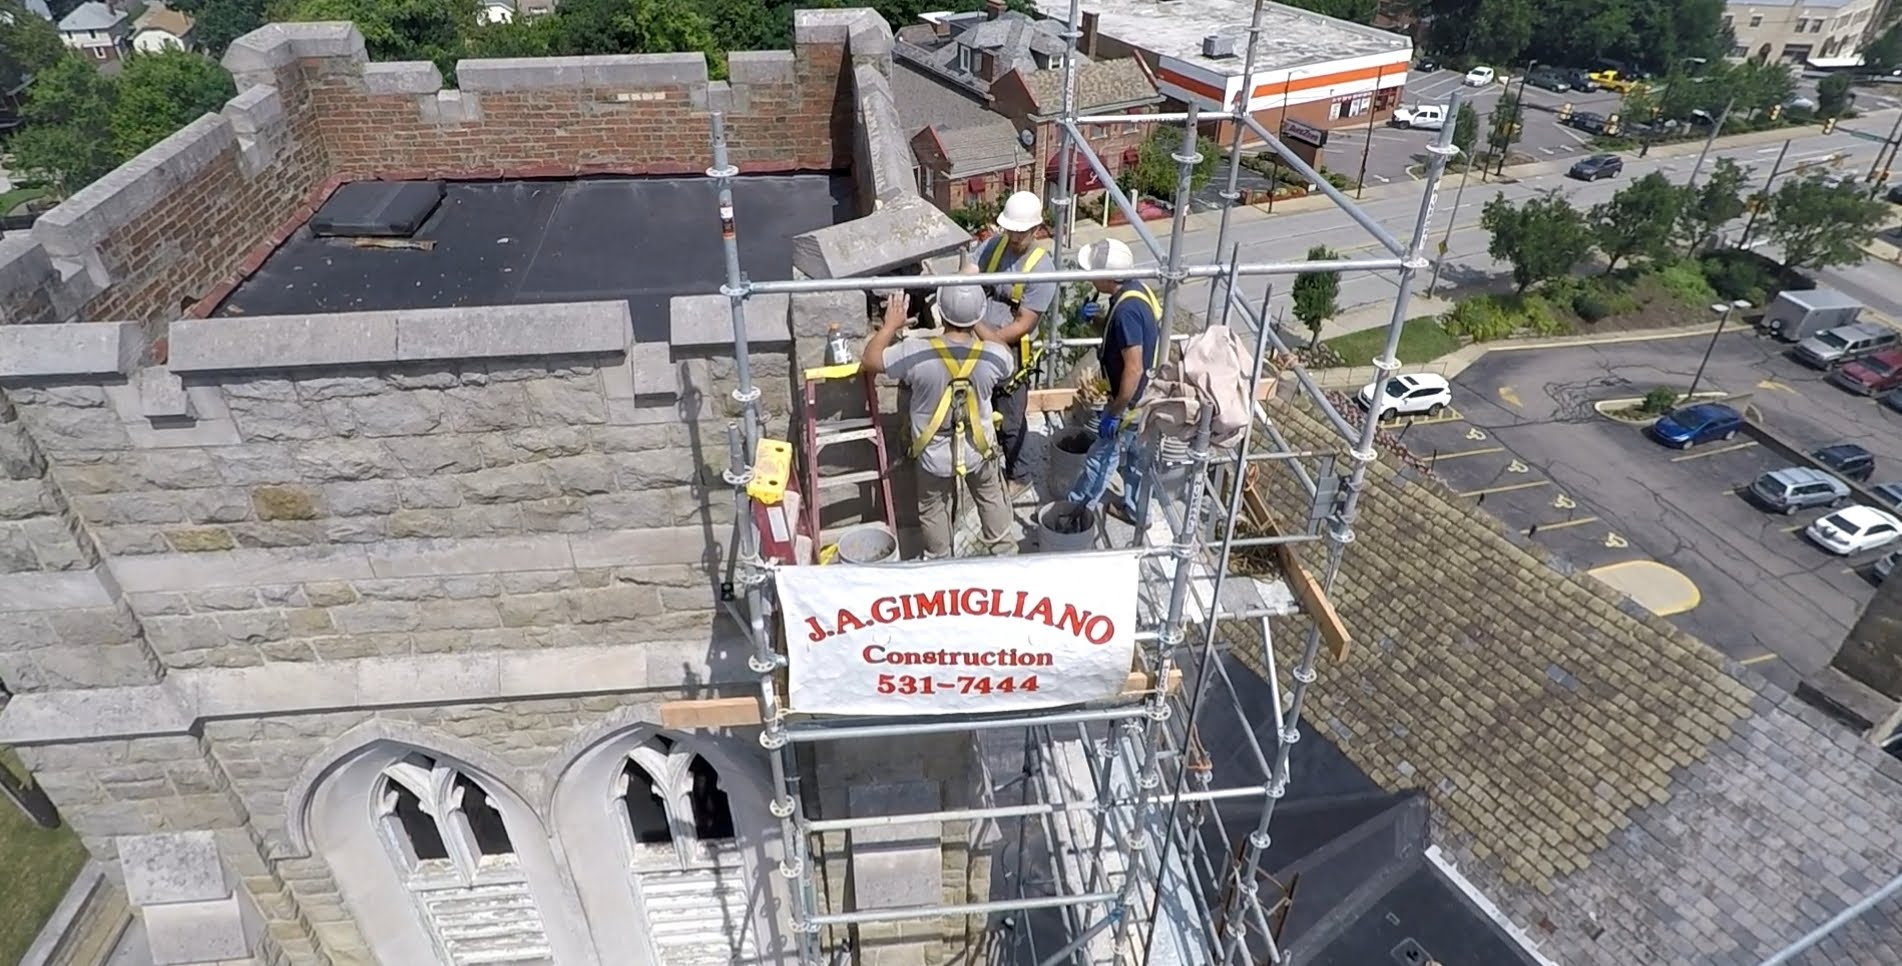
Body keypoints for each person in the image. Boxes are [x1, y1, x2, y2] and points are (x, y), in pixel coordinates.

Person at [861, 283, 1016, 558]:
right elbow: (1005, 354)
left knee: (933, 511)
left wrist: (889, 326)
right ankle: (1005, 555)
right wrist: (977, 321)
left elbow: (871, 360)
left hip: (933, 456)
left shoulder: (915, 352)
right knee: (991, 499)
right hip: (978, 452)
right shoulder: (992, 356)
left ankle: (939, 562)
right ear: (977, 316)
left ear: (940, 313)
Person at [1065, 238, 1161, 525]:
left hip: (1130, 402)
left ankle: (1073, 517)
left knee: (1100, 461)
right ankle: (1135, 510)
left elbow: (1134, 368)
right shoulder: (1135, 293)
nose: (1089, 276)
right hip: (1144, 399)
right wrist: (1097, 321)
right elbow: (1125, 336)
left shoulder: (1126, 312)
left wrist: (1115, 412)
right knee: (1135, 460)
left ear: (1108, 277)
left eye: (1093, 272)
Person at [968, 190, 1057, 485]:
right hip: (979, 341)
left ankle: (1018, 475)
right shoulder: (993, 246)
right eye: (1011, 230)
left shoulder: (1042, 269)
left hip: (1011, 351)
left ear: (1035, 229)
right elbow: (966, 275)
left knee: (1010, 417)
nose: (1015, 237)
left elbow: (1023, 324)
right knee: (978, 407)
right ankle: (983, 466)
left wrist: (979, 329)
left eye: (1021, 232)